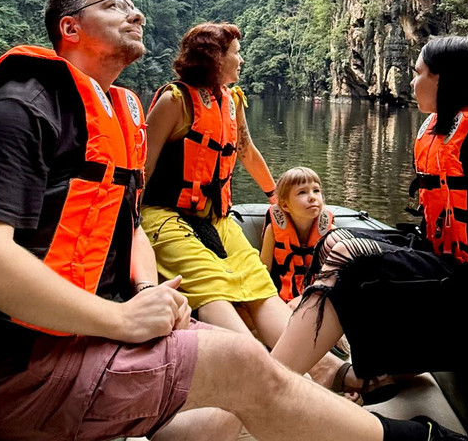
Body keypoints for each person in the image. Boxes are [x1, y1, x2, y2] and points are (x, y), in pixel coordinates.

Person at [0, 0, 468, 441]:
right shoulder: (23, 108)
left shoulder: (119, 112)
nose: (135, 15)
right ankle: (418, 437)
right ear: (71, 28)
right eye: (114, 7)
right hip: (18, 363)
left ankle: (326, 377)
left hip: (88, 336)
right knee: (238, 361)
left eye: (135, 8)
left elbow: (126, 220)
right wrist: (122, 319)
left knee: (232, 394)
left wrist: (144, 292)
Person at [271, 35, 468, 399]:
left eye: (418, 72)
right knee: (336, 241)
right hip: (448, 264)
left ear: (443, 79)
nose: (411, 81)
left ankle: (274, 379)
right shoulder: (437, 128)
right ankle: (316, 360)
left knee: (356, 270)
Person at [140, 24, 346, 387]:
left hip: (215, 219)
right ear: (214, 58)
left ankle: (324, 368)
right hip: (165, 215)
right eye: (236, 52)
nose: (242, 58)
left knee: (255, 278)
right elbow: (145, 164)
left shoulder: (232, 101)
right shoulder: (175, 101)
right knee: (211, 281)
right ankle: (260, 373)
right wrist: (129, 222)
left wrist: (272, 196)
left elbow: (247, 152)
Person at [260, 167, 336, 305]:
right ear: (285, 205)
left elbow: (334, 277)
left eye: (316, 190)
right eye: (302, 192)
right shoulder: (273, 231)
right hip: (280, 298)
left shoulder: (331, 233)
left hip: (316, 299)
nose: (312, 197)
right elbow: (264, 270)